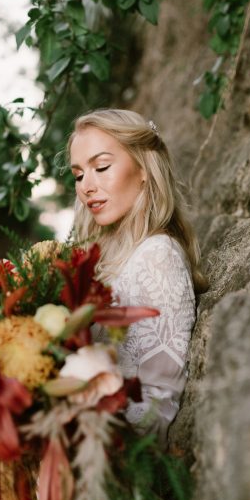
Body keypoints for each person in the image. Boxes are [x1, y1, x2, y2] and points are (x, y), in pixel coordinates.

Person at [67, 108, 207, 446]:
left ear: (143, 169)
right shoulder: (104, 254)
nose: (87, 185)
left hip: (116, 457)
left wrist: (69, 426)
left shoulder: (158, 255)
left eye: (101, 167)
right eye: (78, 174)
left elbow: (157, 403)